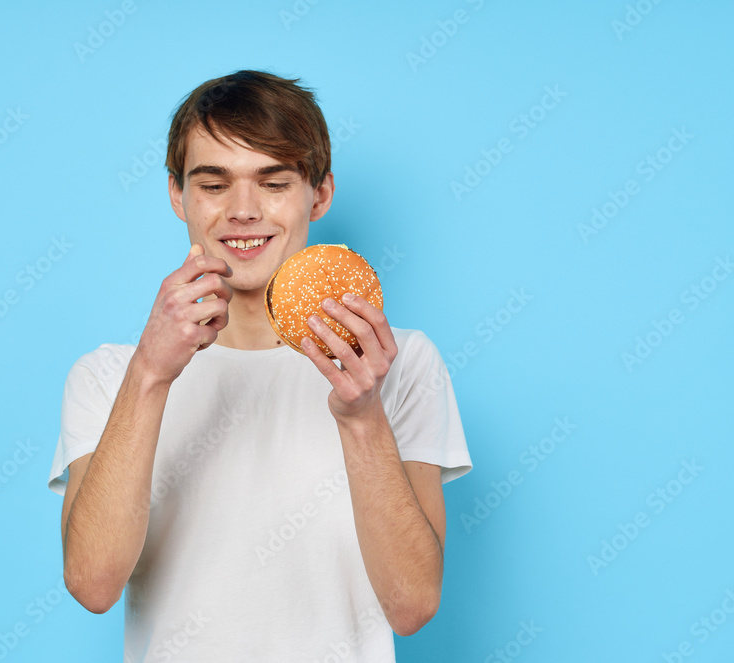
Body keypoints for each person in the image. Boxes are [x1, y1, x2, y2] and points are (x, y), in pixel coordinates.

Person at [47, 69, 473, 661]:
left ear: (318, 194)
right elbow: (92, 585)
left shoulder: (400, 364)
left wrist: (361, 417)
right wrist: (149, 374)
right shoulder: (107, 375)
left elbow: (413, 606)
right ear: (178, 195)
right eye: (214, 184)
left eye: (273, 182)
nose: (243, 211)